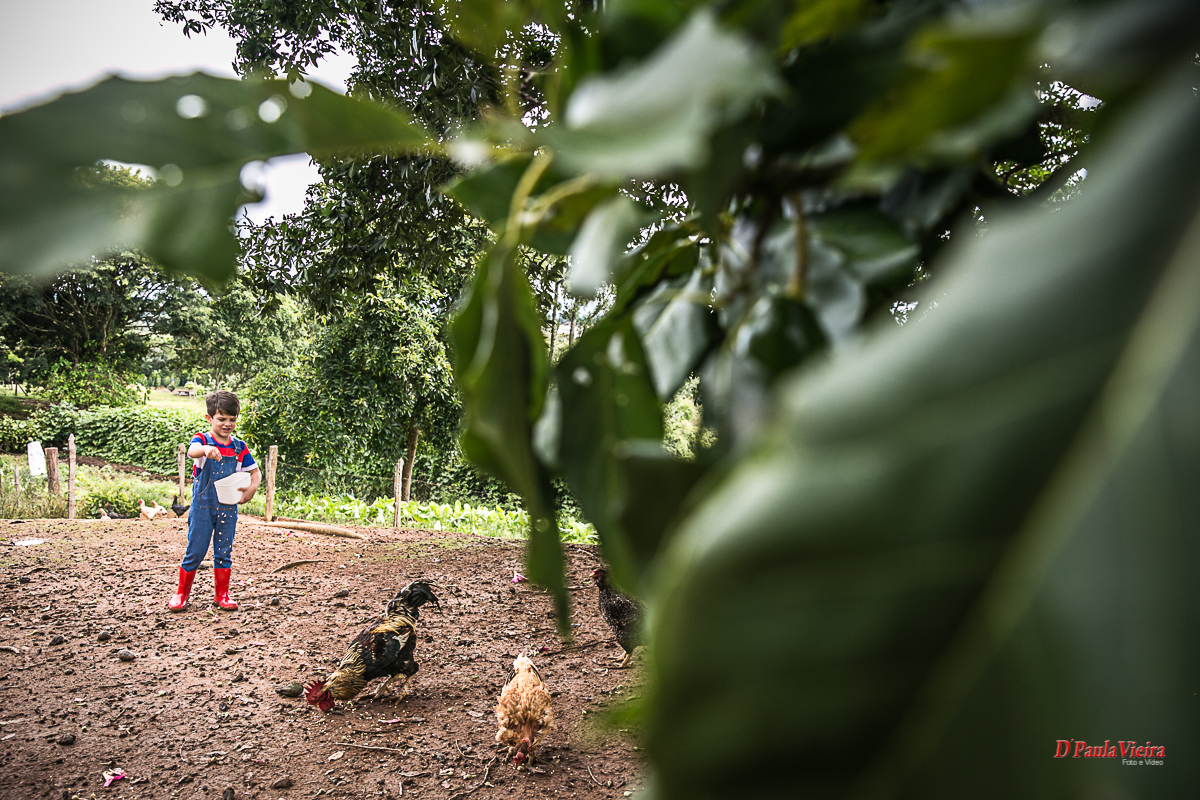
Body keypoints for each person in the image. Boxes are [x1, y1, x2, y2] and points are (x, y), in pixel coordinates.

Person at [168, 390, 260, 612]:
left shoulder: (239, 447)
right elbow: (192, 451)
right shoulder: (202, 440)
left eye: (232, 419)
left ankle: (222, 595)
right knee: (196, 550)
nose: (227, 424)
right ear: (209, 418)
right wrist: (206, 450)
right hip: (203, 507)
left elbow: (255, 473)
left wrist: (251, 489)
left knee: (224, 551)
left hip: (228, 508)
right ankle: (181, 594)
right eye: (221, 419)